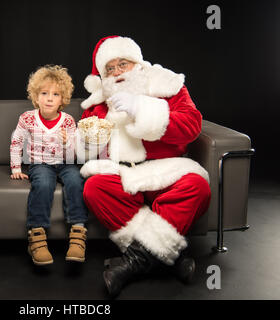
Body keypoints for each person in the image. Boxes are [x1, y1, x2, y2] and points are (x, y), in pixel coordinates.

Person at [79, 36, 211, 297]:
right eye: (110, 68)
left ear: (137, 64)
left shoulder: (167, 85)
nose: (117, 72)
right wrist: (89, 140)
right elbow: (87, 146)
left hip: (168, 169)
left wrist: (141, 108)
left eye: (123, 64)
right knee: (94, 188)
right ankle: (171, 259)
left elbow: (191, 126)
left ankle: (133, 263)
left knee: (197, 186)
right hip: (124, 172)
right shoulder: (97, 103)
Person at [10, 65, 88, 266]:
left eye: (55, 94)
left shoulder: (69, 121)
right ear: (36, 97)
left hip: (65, 163)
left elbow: (76, 153)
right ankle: (37, 236)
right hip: (40, 163)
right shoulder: (27, 118)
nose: (49, 98)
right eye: (44, 93)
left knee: (75, 181)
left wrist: (67, 142)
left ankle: (78, 234)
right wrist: (16, 168)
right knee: (43, 184)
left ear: (63, 99)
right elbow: (17, 141)